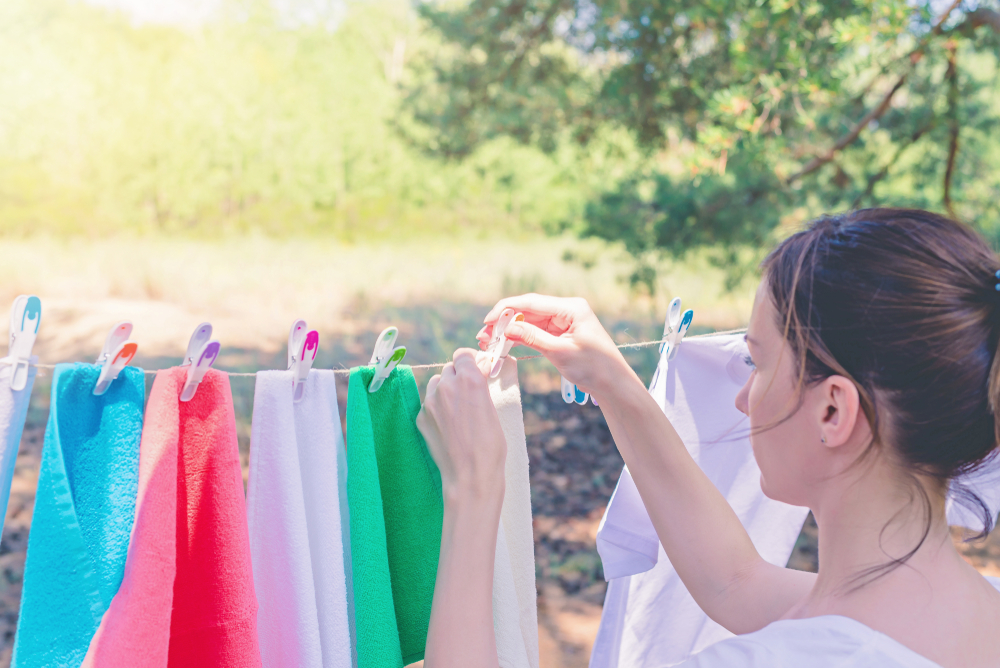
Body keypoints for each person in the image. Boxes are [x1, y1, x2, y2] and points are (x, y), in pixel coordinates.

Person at [415, 208, 1000, 668]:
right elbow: (737, 583)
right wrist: (616, 386)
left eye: (757, 363)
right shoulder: (970, 608)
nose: (745, 398)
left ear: (832, 410)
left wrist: (473, 487)